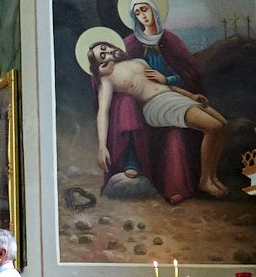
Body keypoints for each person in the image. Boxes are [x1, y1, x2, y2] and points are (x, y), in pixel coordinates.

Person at [88, 36, 228, 199]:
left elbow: (163, 86)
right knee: (213, 127)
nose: (107, 53)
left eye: (104, 48)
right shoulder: (106, 78)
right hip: (156, 105)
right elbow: (103, 111)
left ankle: (212, 177)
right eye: (102, 56)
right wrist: (102, 146)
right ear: (99, 64)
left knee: (222, 124)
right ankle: (205, 181)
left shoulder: (139, 62)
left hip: (173, 96)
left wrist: (190, 95)